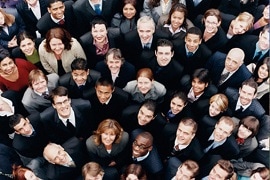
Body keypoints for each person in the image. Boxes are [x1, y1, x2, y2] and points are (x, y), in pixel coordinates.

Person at [9, 113, 48, 179]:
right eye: (21, 129)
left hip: (52, 142)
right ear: (17, 132)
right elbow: (33, 155)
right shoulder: (19, 145)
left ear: (27, 120)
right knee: (33, 166)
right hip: (40, 155)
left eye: (25, 124)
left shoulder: (38, 118)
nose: (26, 129)